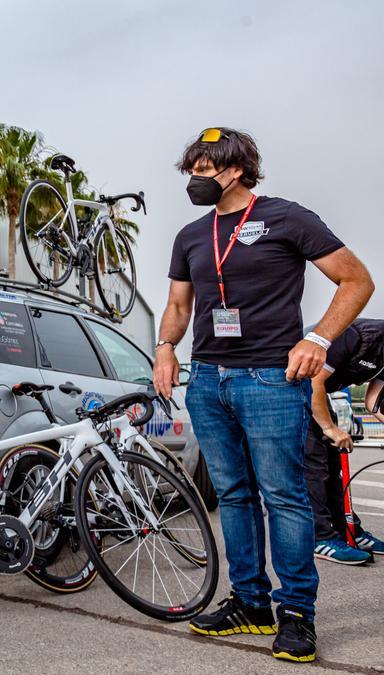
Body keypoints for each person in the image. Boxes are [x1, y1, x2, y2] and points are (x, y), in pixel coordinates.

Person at [153, 128, 374, 663]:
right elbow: (180, 307)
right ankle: (250, 604)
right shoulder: (190, 236)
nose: (194, 180)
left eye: (204, 170)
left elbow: (356, 280)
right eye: (192, 170)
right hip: (209, 381)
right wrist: (164, 347)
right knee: (232, 496)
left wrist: (318, 339)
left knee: (284, 498)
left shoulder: (286, 217)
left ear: (235, 170)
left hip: (272, 379)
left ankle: (296, 614)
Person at [305, 318, 384, 564]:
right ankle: (320, 537)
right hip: (292, 385)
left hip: (318, 392)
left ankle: (347, 529)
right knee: (314, 463)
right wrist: (329, 427)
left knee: (334, 465)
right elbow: (313, 381)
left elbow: (374, 403)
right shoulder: (356, 335)